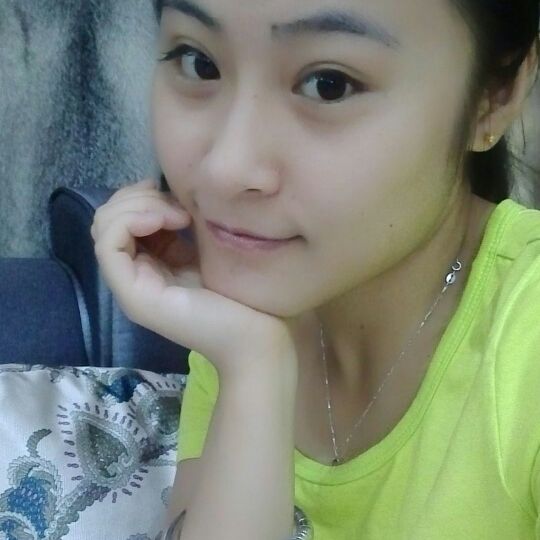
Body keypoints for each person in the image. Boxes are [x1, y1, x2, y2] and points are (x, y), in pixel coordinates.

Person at [91, 0, 540, 538]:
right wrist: (252, 366)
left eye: (330, 85)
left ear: (495, 96)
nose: (226, 168)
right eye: (199, 63)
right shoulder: (247, 312)